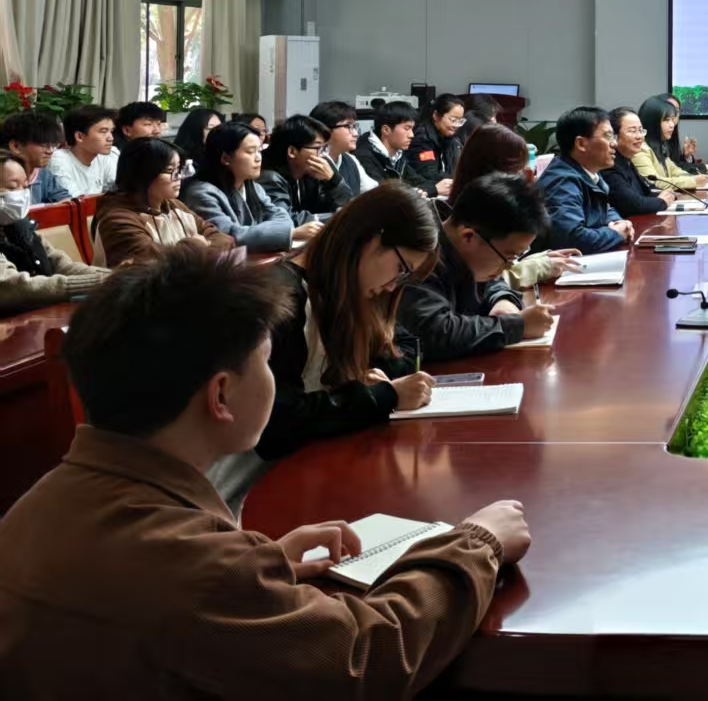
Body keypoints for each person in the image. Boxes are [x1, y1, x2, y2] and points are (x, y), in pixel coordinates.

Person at [0, 242, 530, 699]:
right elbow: (367, 657)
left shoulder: (34, 508)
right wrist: (477, 544)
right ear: (222, 395)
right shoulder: (200, 567)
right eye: (267, 362)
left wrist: (266, 561)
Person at [256, 184, 439, 460]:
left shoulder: (349, 290)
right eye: (401, 269)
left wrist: (374, 379)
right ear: (371, 239)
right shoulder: (282, 296)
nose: (393, 286)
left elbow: (403, 350)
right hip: (251, 477)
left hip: (311, 461)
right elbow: (275, 424)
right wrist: (380, 396)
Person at [399, 173, 556, 361]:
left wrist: (502, 301)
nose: (507, 267)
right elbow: (434, 333)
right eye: (508, 257)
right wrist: (517, 326)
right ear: (469, 236)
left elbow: (492, 281)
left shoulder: (468, 248)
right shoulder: (419, 254)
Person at [444, 123, 580, 289]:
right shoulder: (462, 224)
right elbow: (478, 280)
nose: (528, 179)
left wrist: (536, 261)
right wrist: (535, 268)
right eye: (518, 172)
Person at [93, 136, 233, 268]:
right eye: (170, 170)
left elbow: (224, 239)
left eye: (179, 169)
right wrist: (197, 245)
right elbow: (155, 262)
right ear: (143, 174)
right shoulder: (117, 219)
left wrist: (196, 251)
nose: (179, 177)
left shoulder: (175, 205)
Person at [0, 149, 110, 314]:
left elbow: (62, 265)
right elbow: (15, 286)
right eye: (13, 187)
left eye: (25, 186)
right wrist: (101, 281)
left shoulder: (22, 225)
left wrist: (117, 276)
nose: (22, 194)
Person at [181, 123, 313, 253]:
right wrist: (289, 233)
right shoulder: (201, 193)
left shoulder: (254, 187)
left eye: (259, 151)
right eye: (250, 151)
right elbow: (229, 236)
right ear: (226, 158)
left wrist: (261, 233)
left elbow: (283, 218)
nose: (258, 158)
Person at [534, 106, 634, 253]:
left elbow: (605, 208)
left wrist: (619, 222)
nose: (615, 144)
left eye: (613, 136)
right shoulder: (562, 182)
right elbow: (572, 239)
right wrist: (616, 234)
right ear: (581, 144)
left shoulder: (589, 173)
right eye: (607, 136)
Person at [257, 114, 354, 226]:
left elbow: (346, 206)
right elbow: (285, 219)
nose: (322, 156)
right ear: (292, 151)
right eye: (317, 148)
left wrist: (333, 180)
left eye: (324, 149)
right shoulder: (269, 178)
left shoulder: (309, 173)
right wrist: (335, 218)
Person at [633, 95, 708, 193]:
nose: (672, 125)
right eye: (666, 120)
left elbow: (674, 170)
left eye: (672, 120)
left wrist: (695, 177)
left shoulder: (659, 146)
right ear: (652, 122)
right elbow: (653, 182)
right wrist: (693, 181)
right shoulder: (640, 150)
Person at [606, 106, 675, 217]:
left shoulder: (627, 161)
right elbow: (634, 204)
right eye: (632, 131)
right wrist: (662, 201)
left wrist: (668, 195)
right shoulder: (609, 165)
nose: (639, 136)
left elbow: (646, 191)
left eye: (641, 130)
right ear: (614, 136)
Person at [47, 103, 118, 197]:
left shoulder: (106, 156)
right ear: (80, 137)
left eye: (111, 131)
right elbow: (75, 200)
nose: (111, 138)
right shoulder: (58, 160)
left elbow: (121, 190)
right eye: (103, 131)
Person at [1, 110, 71, 203]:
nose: (50, 151)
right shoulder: (2, 172)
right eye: (44, 145)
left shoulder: (43, 174)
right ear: (16, 146)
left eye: (54, 145)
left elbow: (63, 198)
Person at [310, 100, 377, 196]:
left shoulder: (350, 159)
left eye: (354, 126)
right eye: (348, 126)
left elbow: (374, 192)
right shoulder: (313, 163)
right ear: (325, 129)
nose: (355, 134)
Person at [404, 95, 465, 198]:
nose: (456, 125)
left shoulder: (449, 137)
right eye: (453, 120)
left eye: (460, 121)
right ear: (436, 115)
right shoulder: (421, 138)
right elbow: (428, 173)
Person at [355, 101, 417, 187]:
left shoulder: (398, 155)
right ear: (386, 130)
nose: (412, 135)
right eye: (406, 128)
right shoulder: (364, 157)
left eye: (412, 129)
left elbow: (418, 181)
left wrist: (427, 189)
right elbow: (383, 191)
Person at [172, 107, 223, 176]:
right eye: (211, 129)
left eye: (220, 128)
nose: (218, 132)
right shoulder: (179, 159)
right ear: (196, 130)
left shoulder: (222, 154)